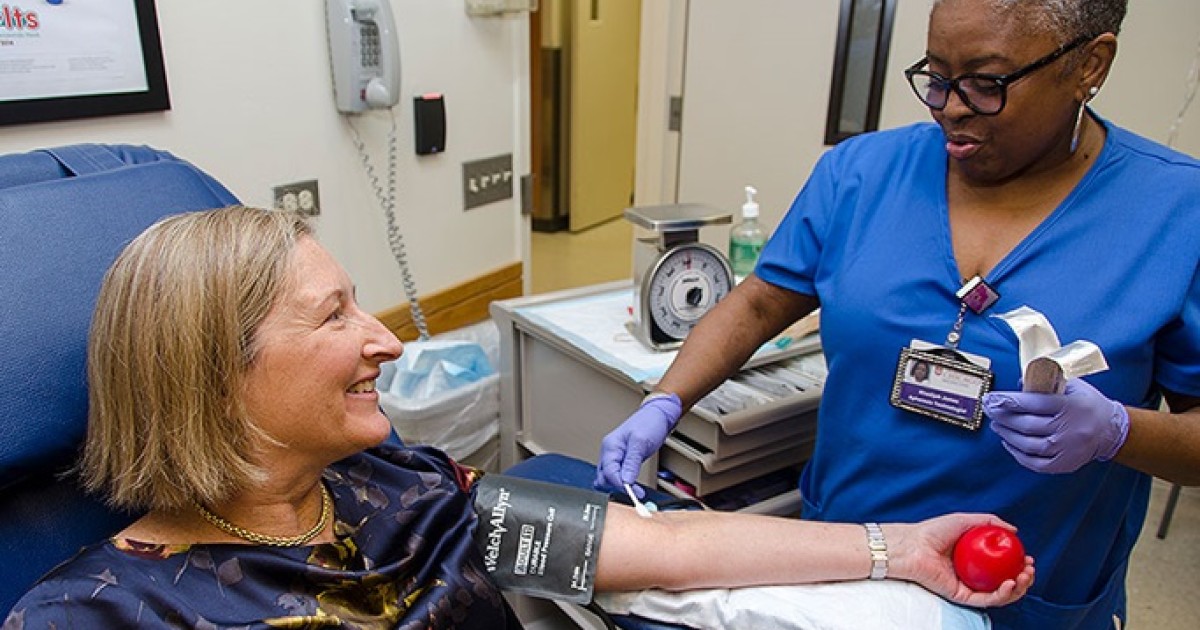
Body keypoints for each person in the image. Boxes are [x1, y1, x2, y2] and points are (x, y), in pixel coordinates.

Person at [4, 206, 1032, 628]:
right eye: (333, 317)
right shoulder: (96, 615)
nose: (389, 341)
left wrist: (899, 550)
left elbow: (662, 549)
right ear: (212, 375)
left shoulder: (402, 488)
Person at [596, 1, 1199, 628]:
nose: (951, 107)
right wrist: (666, 399)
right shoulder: (860, 173)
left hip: (1029, 589)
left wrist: (1119, 431)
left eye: (987, 83)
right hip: (847, 565)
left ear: (1089, 65)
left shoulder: (1178, 212)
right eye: (937, 77)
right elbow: (759, 300)